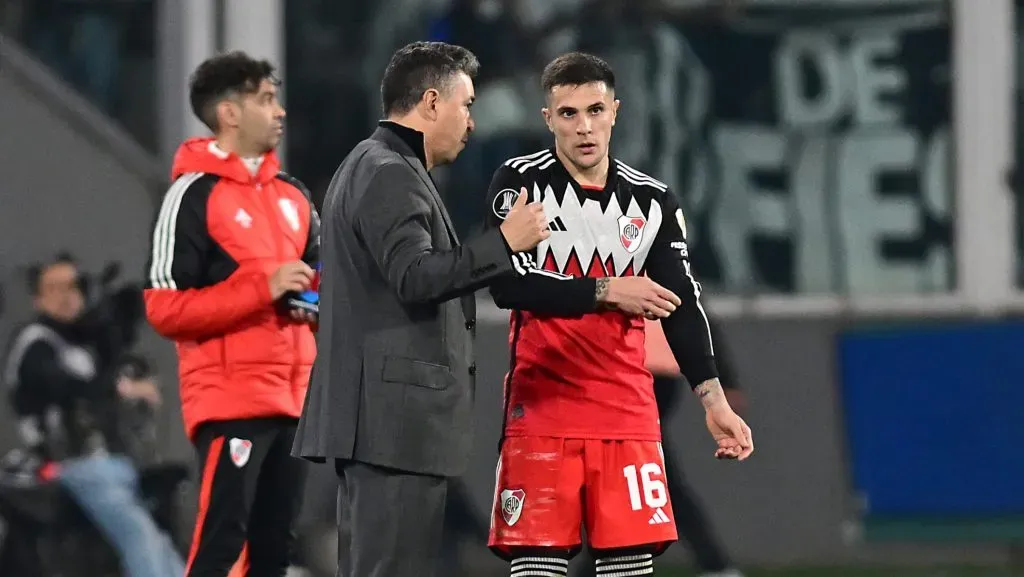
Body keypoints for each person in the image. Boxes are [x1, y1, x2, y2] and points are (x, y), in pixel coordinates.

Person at [483, 52, 754, 577]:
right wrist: (606, 290)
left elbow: (682, 305)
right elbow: (506, 284)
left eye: (595, 110)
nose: (584, 127)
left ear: (615, 112)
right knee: (537, 566)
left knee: (627, 567)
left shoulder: (652, 200)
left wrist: (714, 399)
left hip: (626, 415)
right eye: (568, 113)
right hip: (543, 411)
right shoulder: (520, 183)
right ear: (548, 119)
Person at [290, 41, 550, 577]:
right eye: (466, 104)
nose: (472, 122)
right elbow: (415, 276)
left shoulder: (376, 164)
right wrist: (504, 243)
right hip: (392, 425)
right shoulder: (388, 171)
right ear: (431, 103)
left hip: (382, 424)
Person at [143, 51, 320, 577]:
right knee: (221, 546)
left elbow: (316, 283)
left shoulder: (294, 196)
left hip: (295, 401)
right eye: (265, 99)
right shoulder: (190, 195)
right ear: (229, 113)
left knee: (275, 553)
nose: (280, 110)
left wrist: (315, 303)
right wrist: (263, 288)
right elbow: (164, 307)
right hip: (232, 402)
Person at [3, 253, 183, 577]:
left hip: (111, 464)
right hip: (72, 464)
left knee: (160, 543)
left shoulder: (82, 345)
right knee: (139, 537)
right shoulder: (34, 343)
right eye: (55, 288)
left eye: (73, 286)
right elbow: (60, 385)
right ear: (37, 298)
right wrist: (122, 388)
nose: (67, 295)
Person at [574, 318, 748, 577]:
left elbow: (694, 315)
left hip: (632, 370)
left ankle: (716, 565)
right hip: (639, 368)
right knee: (632, 473)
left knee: (644, 474)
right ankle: (714, 564)